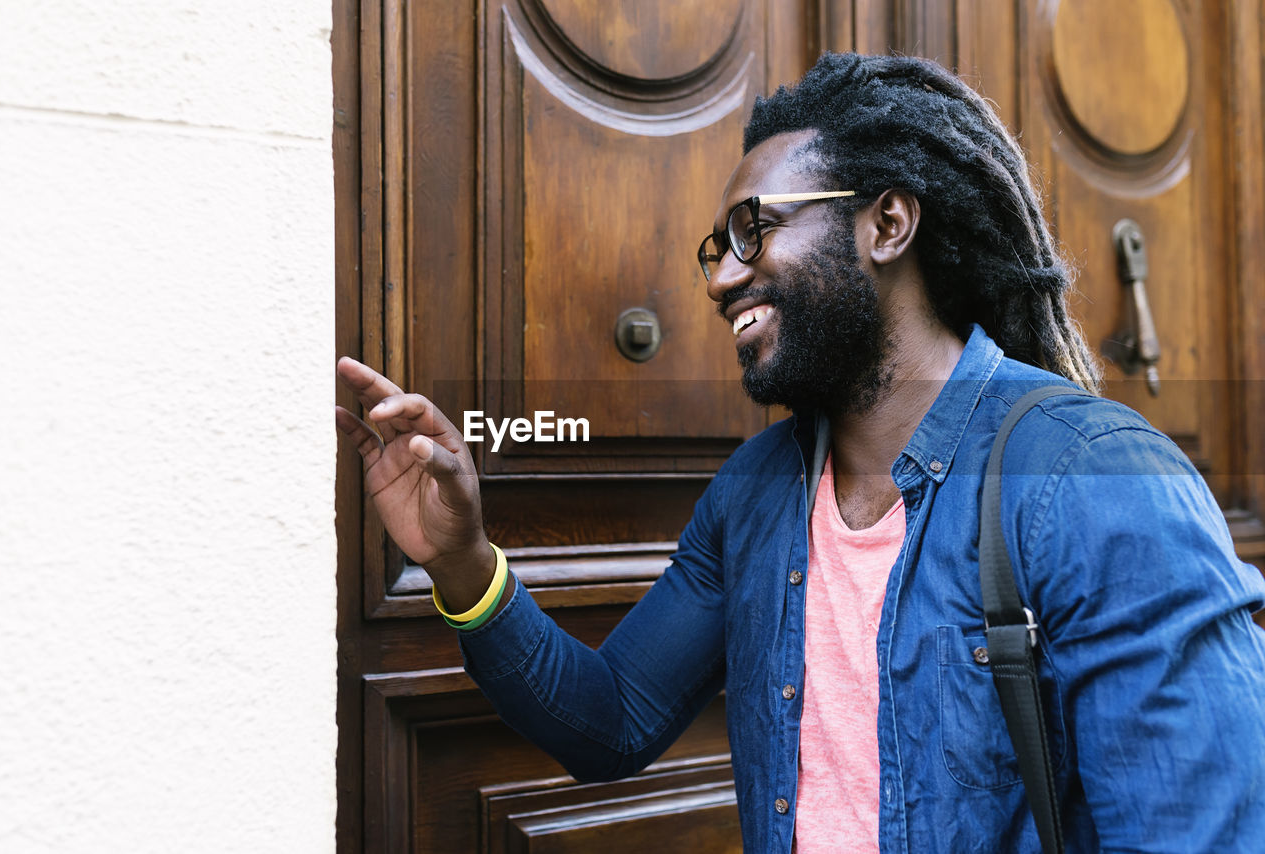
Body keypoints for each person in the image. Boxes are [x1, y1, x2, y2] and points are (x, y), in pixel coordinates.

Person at [336, 52, 1265, 852]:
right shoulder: (754, 493)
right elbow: (610, 721)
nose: (722, 276)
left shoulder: (1092, 478)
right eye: (716, 248)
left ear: (887, 224)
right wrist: (461, 562)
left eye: (754, 230)